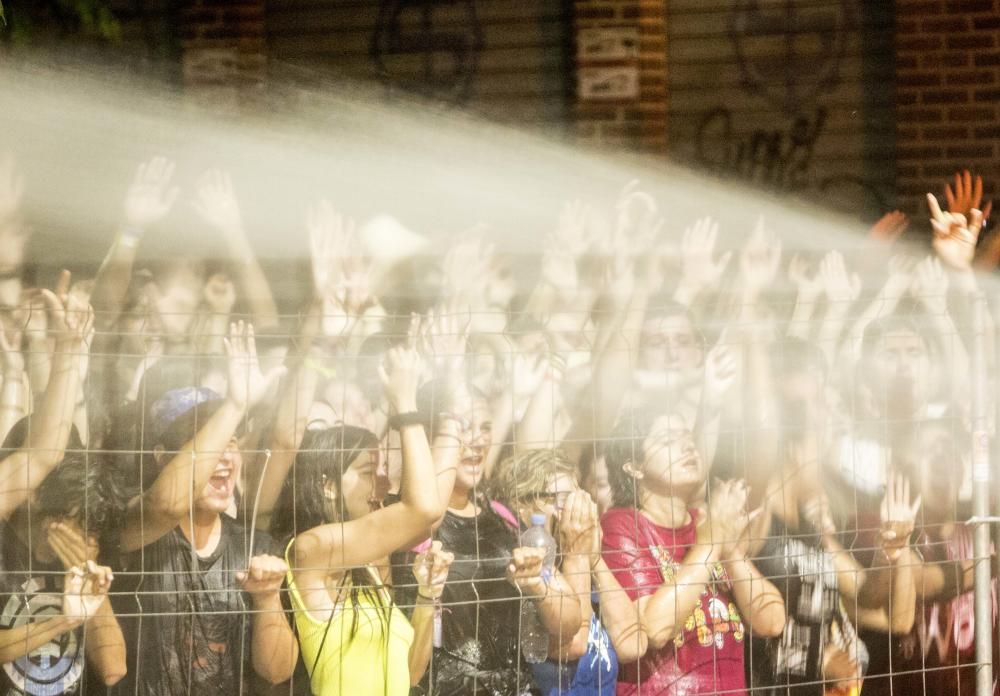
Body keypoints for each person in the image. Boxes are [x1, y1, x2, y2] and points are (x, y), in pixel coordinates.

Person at [110, 322, 298, 696]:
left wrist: (266, 599)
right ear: (163, 458)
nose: (225, 457)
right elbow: (166, 505)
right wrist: (236, 404)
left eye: (232, 442)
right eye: (207, 444)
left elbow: (277, 671)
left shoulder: (255, 547)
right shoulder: (135, 528)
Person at [270, 341, 454, 696]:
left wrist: (427, 596)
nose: (385, 483)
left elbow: (411, 674)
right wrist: (405, 405)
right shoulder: (310, 549)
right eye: (371, 471)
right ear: (328, 487)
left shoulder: (371, 563)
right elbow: (426, 509)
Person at [601, 410, 787, 696]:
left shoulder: (707, 524)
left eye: (688, 437)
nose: (688, 446)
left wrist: (727, 548)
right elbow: (654, 628)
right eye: (668, 440)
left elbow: (772, 621)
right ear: (634, 466)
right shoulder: (621, 525)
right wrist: (711, 544)